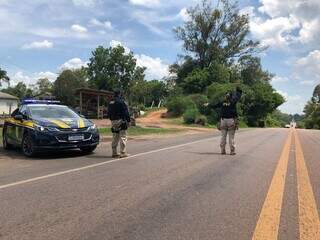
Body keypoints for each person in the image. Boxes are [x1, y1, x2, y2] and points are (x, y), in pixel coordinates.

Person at [207, 87, 242, 155]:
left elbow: (215, 105)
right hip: (231, 121)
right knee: (231, 137)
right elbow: (238, 96)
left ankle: (222, 150)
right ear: (231, 96)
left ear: (225, 96)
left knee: (223, 136)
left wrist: (208, 104)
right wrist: (238, 90)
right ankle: (232, 151)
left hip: (223, 120)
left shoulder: (222, 102)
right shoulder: (233, 102)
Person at [107, 89, 131, 158]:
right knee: (123, 136)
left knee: (115, 136)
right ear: (120, 94)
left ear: (114, 94)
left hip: (113, 121)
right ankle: (123, 153)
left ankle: (114, 152)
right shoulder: (122, 102)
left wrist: (112, 120)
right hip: (121, 121)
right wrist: (128, 121)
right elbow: (126, 112)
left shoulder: (111, 102)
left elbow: (108, 113)